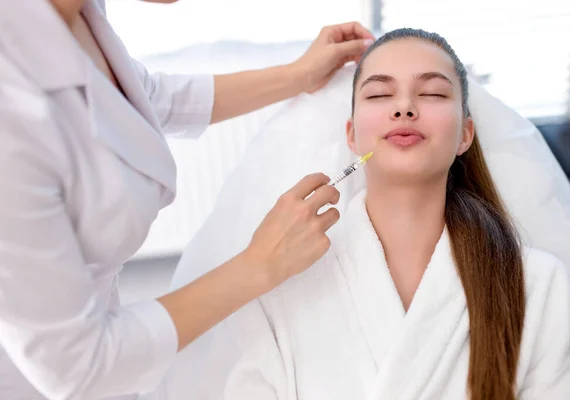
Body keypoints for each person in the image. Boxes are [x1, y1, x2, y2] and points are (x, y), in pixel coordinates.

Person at [155, 28, 570, 399]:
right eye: (380, 93)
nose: (404, 107)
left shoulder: (539, 285)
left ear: (465, 135)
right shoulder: (281, 282)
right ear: (352, 136)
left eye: (431, 92)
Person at [0, 0, 376, 398]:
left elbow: (141, 96)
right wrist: (259, 264)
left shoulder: (71, 12)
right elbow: (76, 367)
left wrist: (297, 74)